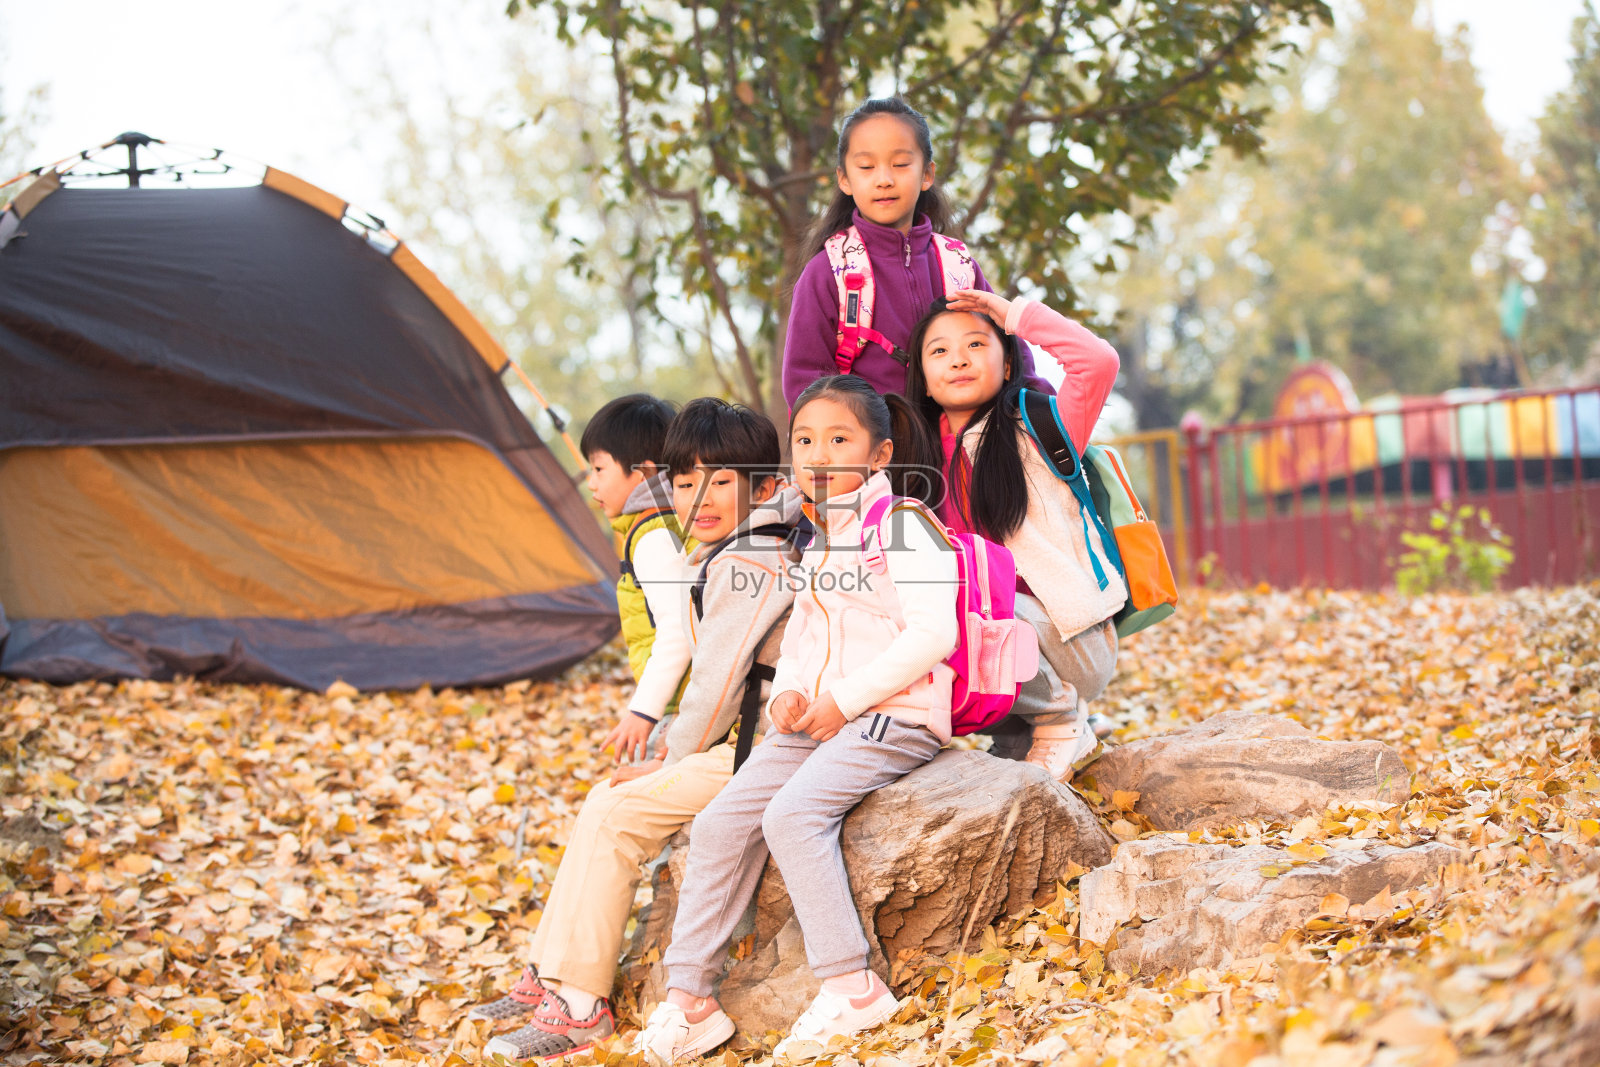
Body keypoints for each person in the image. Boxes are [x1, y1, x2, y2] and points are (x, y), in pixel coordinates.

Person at [634, 375, 959, 1063]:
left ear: (879, 454)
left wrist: (844, 699)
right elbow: (808, 638)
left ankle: (852, 988)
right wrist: (793, 693)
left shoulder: (904, 524)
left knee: (791, 816)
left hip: (895, 715)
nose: (819, 454)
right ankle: (689, 1001)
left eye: (839, 439)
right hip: (821, 717)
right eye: (805, 440)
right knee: (720, 821)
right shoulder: (820, 536)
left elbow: (935, 633)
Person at [472, 399, 804, 1062]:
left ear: (765, 487)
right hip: (738, 743)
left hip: (762, 751)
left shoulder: (753, 561)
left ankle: (581, 1009)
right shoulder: (732, 549)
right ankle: (553, 974)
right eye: (684, 482)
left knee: (617, 813)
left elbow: (715, 690)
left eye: (720, 481)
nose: (699, 498)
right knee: (606, 799)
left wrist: (669, 758)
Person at [904, 288, 1127, 780]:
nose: (958, 359)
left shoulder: (1039, 426)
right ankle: (1017, 735)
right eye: (939, 351)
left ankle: (1061, 717)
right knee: (919, 611)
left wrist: (1013, 315)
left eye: (976, 344)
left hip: (1070, 639)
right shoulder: (916, 462)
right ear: (923, 378)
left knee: (964, 609)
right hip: (995, 646)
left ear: (1008, 364)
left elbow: (1098, 362)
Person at [781, 97, 1050, 410]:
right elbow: (804, 383)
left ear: (927, 174)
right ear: (844, 179)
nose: (884, 180)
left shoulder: (957, 266)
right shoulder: (828, 271)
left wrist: (1043, 413)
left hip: (958, 438)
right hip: (872, 438)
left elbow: (1011, 355)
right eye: (866, 167)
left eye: (900, 164)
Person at [579, 394, 693, 767]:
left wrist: (643, 711)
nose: (591, 483)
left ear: (643, 472)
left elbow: (678, 629)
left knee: (631, 779)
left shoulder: (653, 536)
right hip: (680, 697)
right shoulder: (669, 520)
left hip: (681, 703)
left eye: (599, 469)